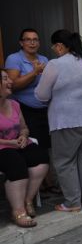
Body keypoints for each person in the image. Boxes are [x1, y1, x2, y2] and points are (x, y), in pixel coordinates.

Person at [35, 29, 82, 212]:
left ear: (59, 46)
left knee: (64, 161)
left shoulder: (55, 64)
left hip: (68, 119)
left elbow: (41, 95)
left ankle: (73, 202)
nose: (53, 50)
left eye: (54, 47)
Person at [5, 29, 58, 194]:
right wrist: (34, 72)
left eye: (35, 39)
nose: (32, 42)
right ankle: (42, 185)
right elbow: (13, 85)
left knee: (46, 145)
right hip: (25, 108)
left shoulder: (43, 59)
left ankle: (46, 182)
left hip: (45, 108)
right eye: (28, 40)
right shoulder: (14, 59)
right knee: (36, 144)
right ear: (21, 43)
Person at [0, 68, 48, 227]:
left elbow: (24, 127)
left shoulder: (14, 104)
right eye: (5, 79)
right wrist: (9, 143)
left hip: (17, 144)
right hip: (3, 148)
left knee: (40, 158)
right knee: (16, 163)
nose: (10, 82)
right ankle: (17, 211)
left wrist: (23, 136)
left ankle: (27, 199)